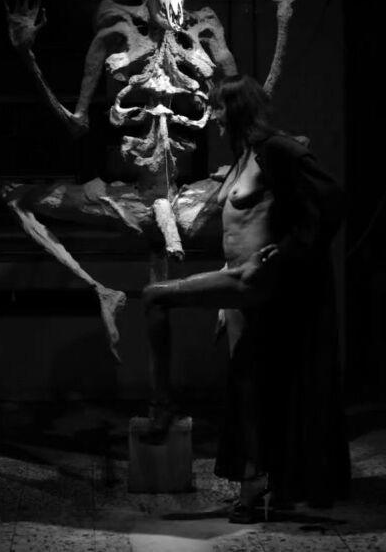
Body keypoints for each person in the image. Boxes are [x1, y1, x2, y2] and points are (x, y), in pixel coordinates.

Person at [142, 73, 350, 521]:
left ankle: (162, 404)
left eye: (218, 107)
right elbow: (240, 227)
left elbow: (330, 199)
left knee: (155, 297)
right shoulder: (243, 158)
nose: (212, 116)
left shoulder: (277, 150)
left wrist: (284, 252)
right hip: (235, 283)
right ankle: (254, 482)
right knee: (247, 384)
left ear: (236, 110)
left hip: (256, 282)